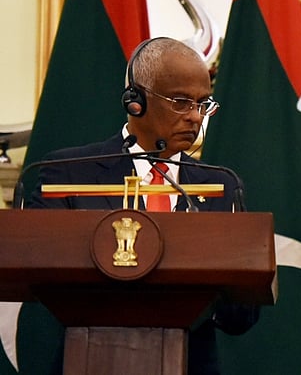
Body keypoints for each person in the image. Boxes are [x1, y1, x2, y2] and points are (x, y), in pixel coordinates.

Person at [28, 36, 259, 374]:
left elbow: (241, 315)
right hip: (91, 358)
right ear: (135, 101)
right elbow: (39, 271)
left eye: (203, 104)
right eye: (181, 102)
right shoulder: (69, 172)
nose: (195, 117)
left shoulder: (221, 185)